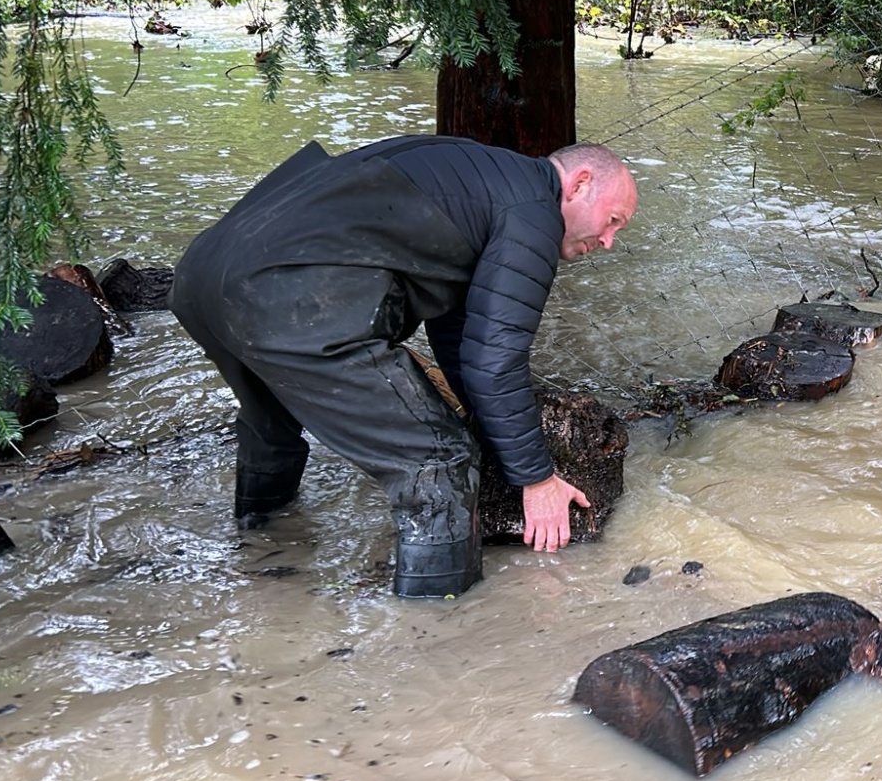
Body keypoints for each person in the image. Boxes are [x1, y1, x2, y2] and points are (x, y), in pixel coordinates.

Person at [170, 135, 637, 598]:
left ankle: (258, 549)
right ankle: (435, 623)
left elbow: (462, 338)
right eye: (612, 221)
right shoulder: (533, 210)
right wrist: (537, 480)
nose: (609, 241)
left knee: (271, 421)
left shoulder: (482, 176)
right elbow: (497, 361)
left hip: (204, 279)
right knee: (438, 459)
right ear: (578, 184)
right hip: (290, 300)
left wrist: (488, 427)